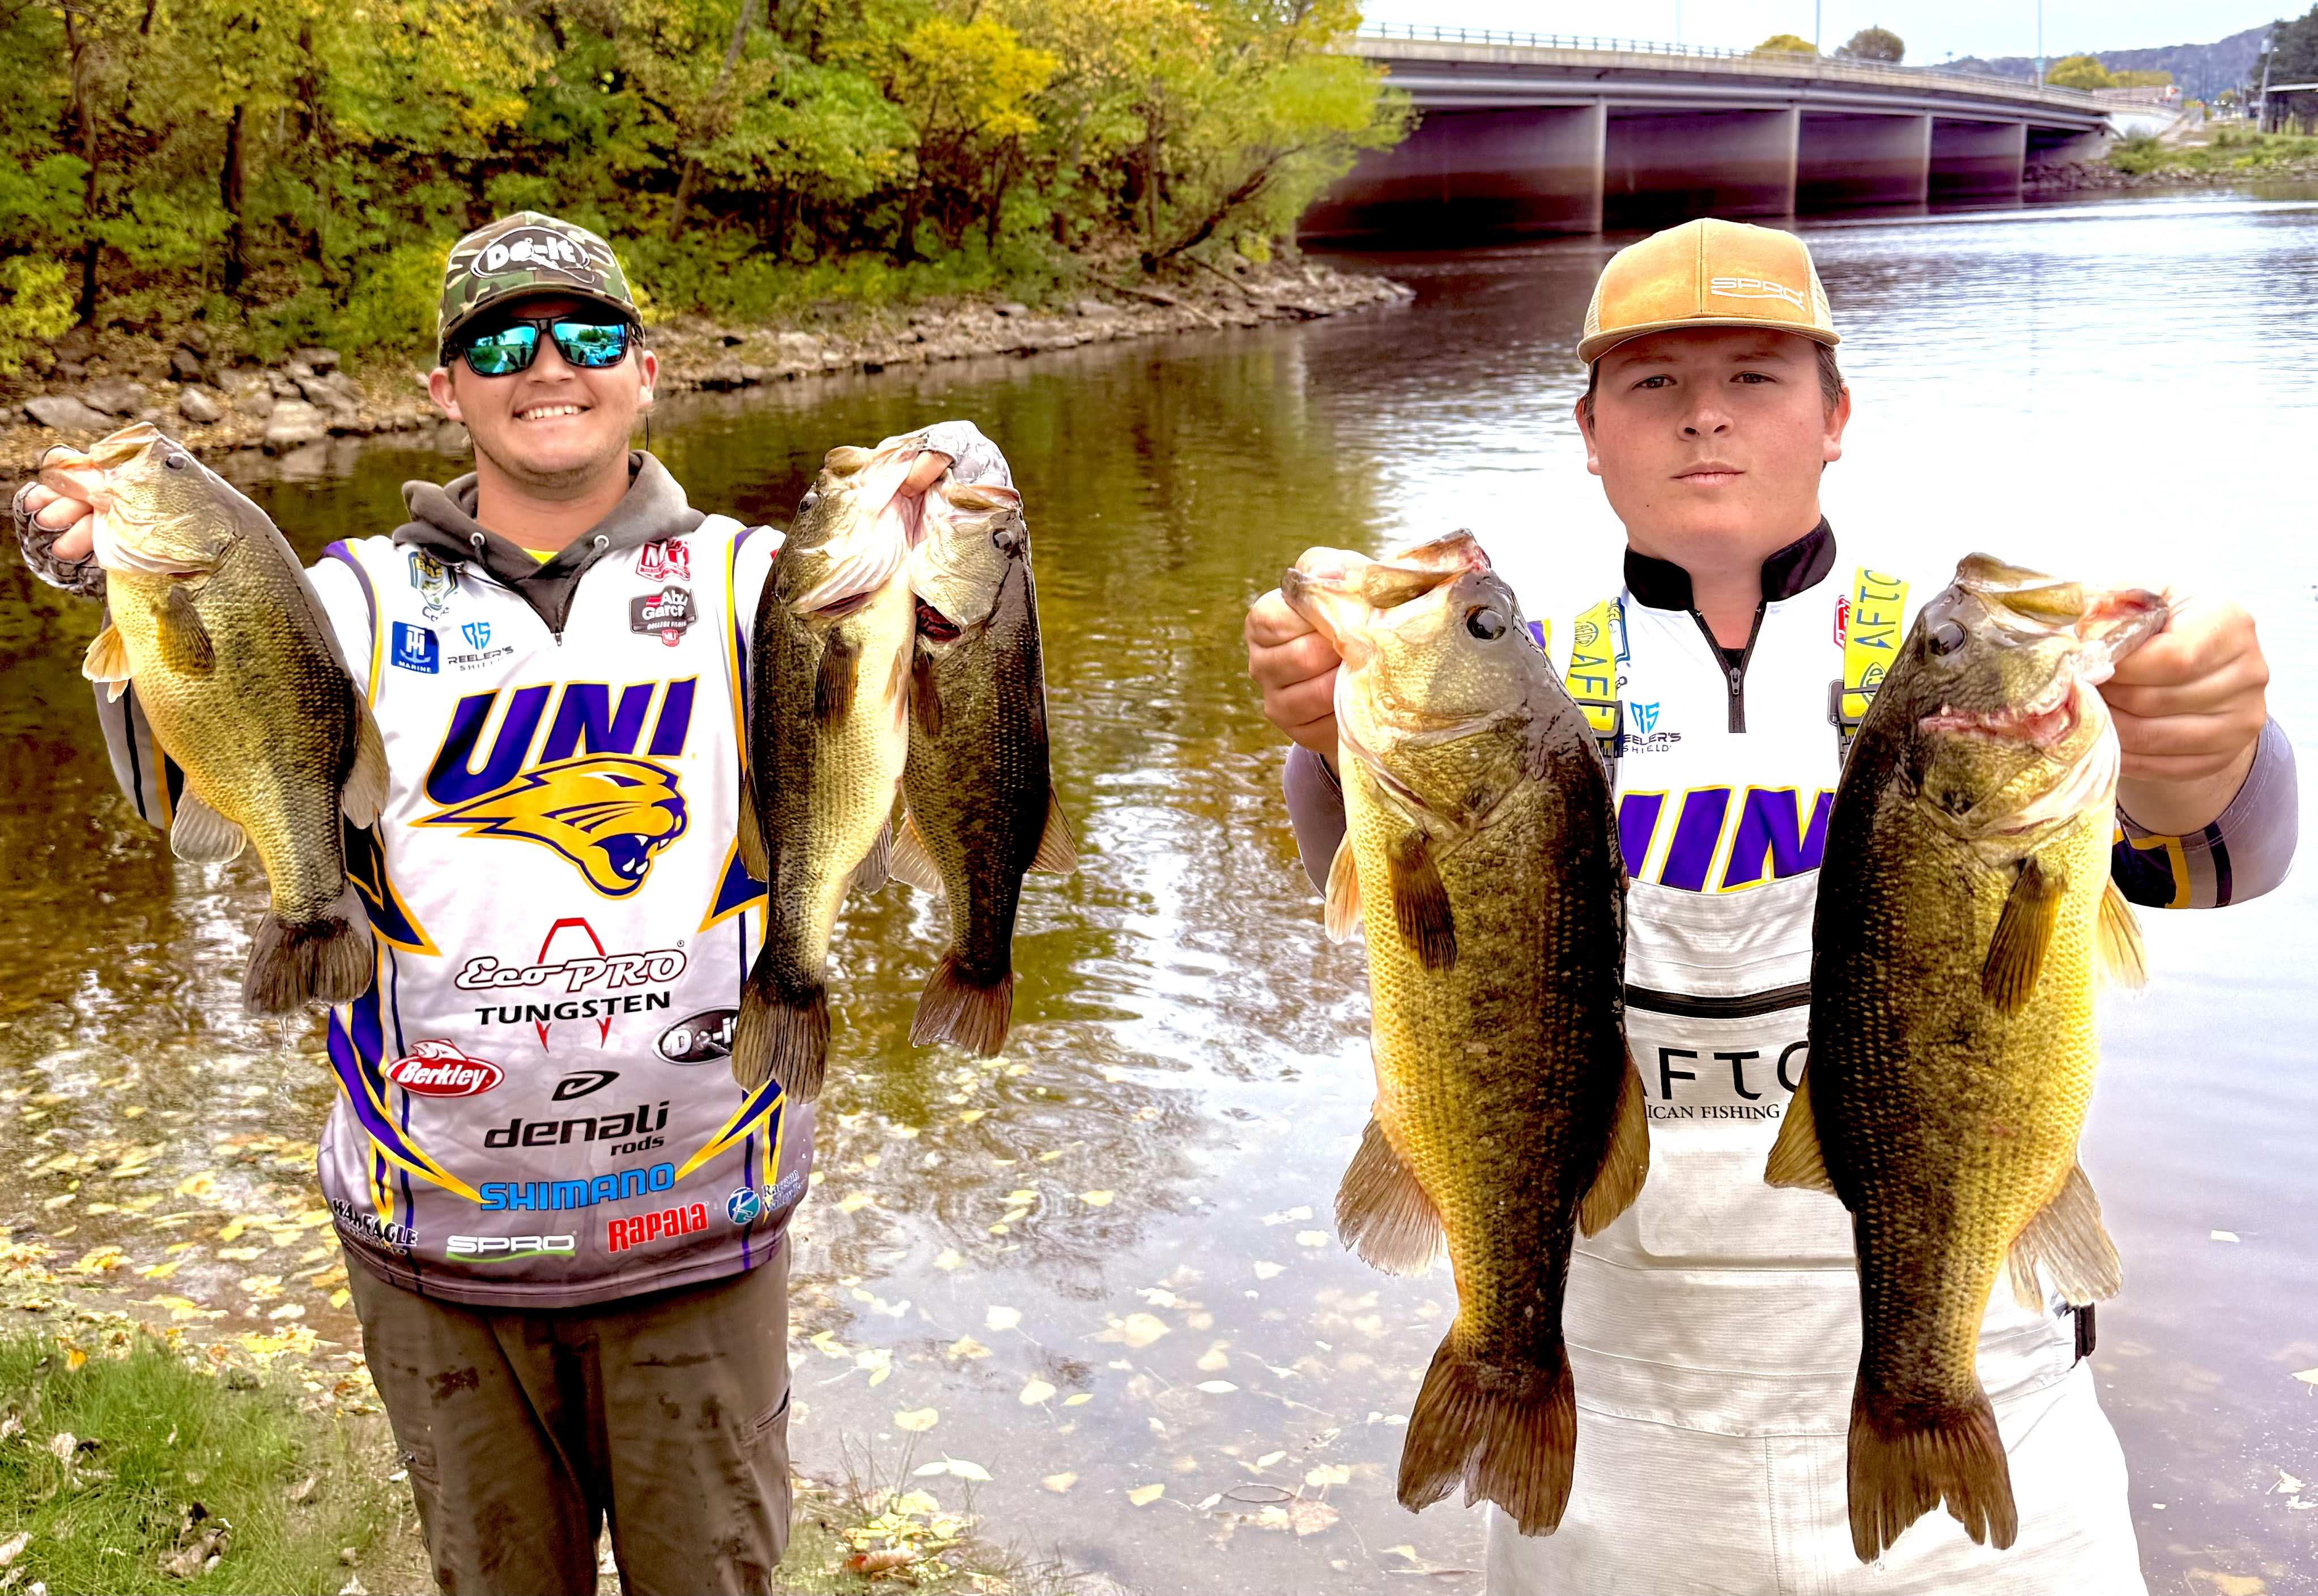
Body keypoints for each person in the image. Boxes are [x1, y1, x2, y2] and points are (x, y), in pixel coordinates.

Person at [1244, 218, 2295, 1593]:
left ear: (1835, 415)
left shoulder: (1966, 679)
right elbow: (1383, 888)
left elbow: (2222, 854)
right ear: (1588, 429)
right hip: (1613, 1444)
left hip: (1988, 1422)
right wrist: (1323, 738)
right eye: (1652, 386)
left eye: (1755, 378)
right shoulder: (1522, 679)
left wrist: (2210, 745)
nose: (1704, 420)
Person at [14, 210, 1010, 1596]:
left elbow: (955, 694)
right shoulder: (342, 597)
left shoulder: (770, 585)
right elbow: (184, 776)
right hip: (436, 1242)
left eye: (590, 334)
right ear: (446, 389)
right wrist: (93, 577)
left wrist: (963, 487)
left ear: (646, 374)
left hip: (702, 1234)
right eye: (502, 340)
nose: (551, 364)